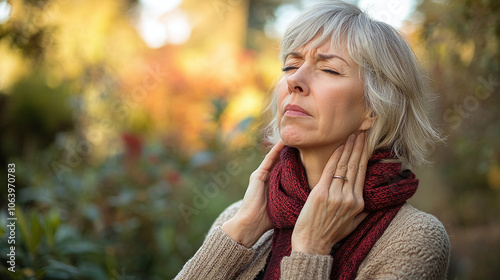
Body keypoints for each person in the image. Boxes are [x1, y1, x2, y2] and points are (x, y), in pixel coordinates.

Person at [175, 1, 450, 279]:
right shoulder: (238, 218)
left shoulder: (413, 237)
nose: (295, 79)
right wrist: (241, 232)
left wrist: (311, 249)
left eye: (329, 69)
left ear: (376, 108)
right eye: (290, 65)